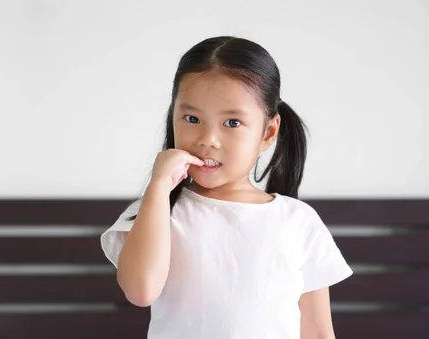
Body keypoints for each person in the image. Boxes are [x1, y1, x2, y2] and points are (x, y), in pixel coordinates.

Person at [100, 36, 353, 339]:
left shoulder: (298, 221)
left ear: (268, 132)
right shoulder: (157, 211)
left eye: (232, 123)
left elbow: (316, 331)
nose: (208, 139)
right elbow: (141, 290)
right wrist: (157, 188)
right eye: (192, 118)